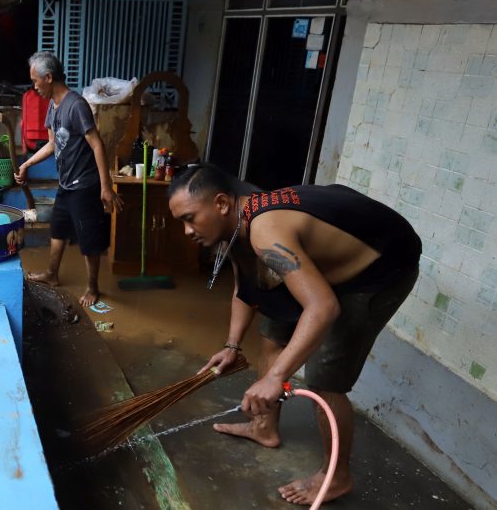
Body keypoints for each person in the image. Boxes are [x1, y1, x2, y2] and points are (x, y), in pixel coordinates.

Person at [166, 165, 421, 505]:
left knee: (324, 379)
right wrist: (232, 345)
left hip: (382, 266)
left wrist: (277, 376)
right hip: (328, 262)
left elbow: (322, 308)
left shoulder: (266, 230)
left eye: (189, 218)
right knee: (273, 334)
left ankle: (338, 476)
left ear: (222, 204)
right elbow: (247, 286)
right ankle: (264, 428)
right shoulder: (237, 222)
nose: (186, 231)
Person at [15, 51, 120, 307]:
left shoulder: (77, 105)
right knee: (58, 229)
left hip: (84, 185)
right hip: (66, 183)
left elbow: (97, 145)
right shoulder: (53, 105)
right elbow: (52, 144)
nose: (34, 86)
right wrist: (27, 162)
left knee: (88, 239)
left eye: (36, 80)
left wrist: (105, 187)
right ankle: (52, 274)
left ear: (49, 77)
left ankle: (93, 288)